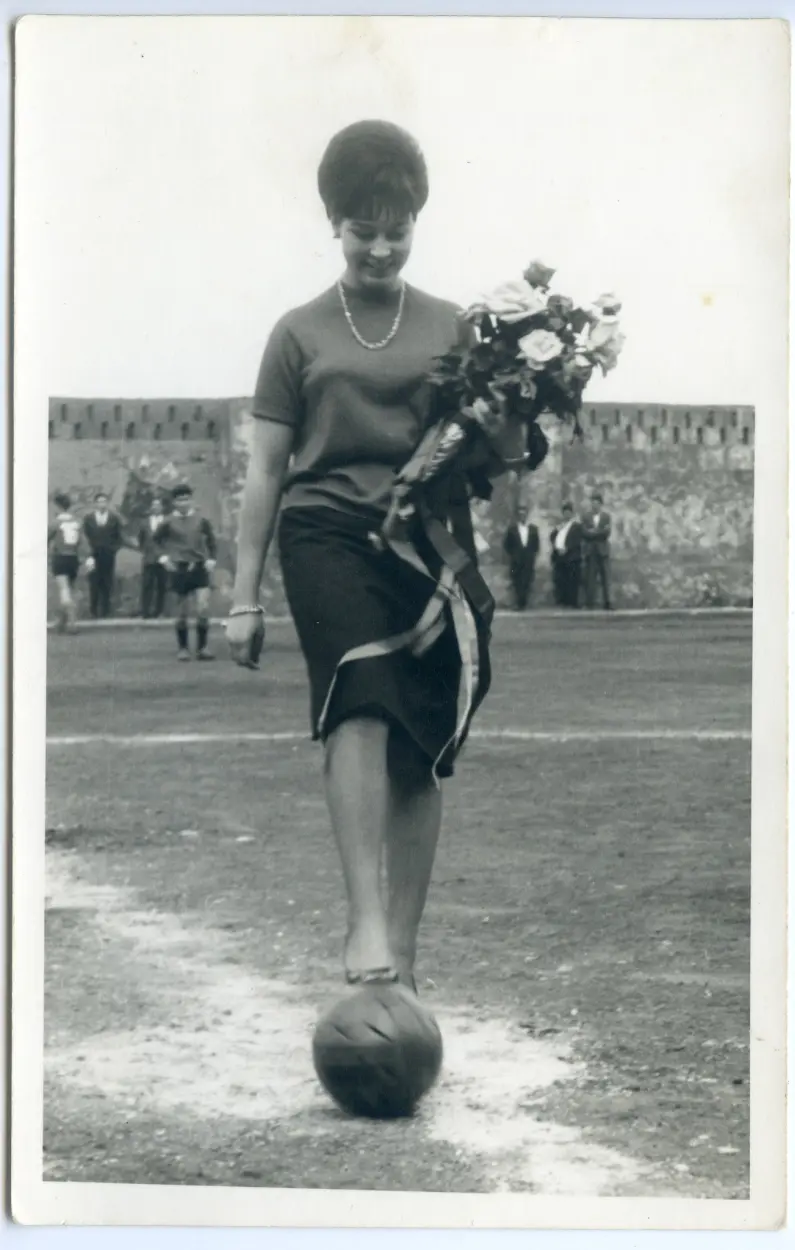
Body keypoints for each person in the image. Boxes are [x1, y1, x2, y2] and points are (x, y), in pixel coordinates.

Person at [226, 120, 501, 993]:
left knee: (417, 745)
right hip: (327, 535)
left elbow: (495, 450)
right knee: (360, 699)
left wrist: (516, 410)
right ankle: (365, 919)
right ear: (334, 225)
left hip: (425, 545)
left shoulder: (458, 327)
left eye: (397, 228)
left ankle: (405, 963)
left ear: (417, 222)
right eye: (363, 229)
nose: (380, 247)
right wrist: (243, 596)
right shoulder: (297, 334)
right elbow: (266, 472)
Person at [156, 484, 217, 660]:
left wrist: (211, 558)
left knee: (203, 608)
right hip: (179, 568)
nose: (183, 503)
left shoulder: (201, 519)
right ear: (174, 502)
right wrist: (164, 558)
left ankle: (202, 648)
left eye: (186, 499)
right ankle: (182, 649)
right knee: (182, 612)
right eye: (179, 499)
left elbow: (211, 540)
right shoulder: (167, 522)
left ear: (191, 500)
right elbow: (154, 542)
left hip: (199, 566)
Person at [82, 491, 123, 618]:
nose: (102, 504)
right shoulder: (88, 518)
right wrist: (87, 554)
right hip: (93, 554)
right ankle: (93, 610)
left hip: (108, 554)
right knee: (94, 581)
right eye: (99, 502)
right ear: (95, 504)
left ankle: (105, 610)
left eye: (104, 501)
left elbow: (118, 536)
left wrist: (113, 549)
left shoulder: (113, 518)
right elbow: (85, 536)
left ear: (107, 503)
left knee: (107, 581)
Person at [48, 493, 83, 633]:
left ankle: (72, 622)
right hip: (73, 558)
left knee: (64, 590)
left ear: (58, 507)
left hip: (60, 558)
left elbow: (46, 538)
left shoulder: (56, 523)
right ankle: (61, 622)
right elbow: (81, 541)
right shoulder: (77, 522)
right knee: (70, 588)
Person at [502, 503, 540, 610]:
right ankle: (519, 603)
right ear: (518, 516)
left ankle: (524, 603)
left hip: (528, 559)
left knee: (527, 580)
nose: (522, 516)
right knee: (517, 581)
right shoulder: (512, 529)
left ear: (527, 515)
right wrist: (513, 554)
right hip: (516, 560)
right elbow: (507, 544)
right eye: (520, 514)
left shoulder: (533, 529)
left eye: (524, 514)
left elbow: (536, 545)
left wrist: (531, 554)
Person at [582, 489, 613, 610]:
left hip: (603, 550)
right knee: (590, 578)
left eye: (597, 503)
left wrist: (594, 532)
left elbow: (607, 533)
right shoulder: (586, 516)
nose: (594, 505)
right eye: (592, 502)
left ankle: (608, 602)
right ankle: (590, 603)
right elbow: (584, 533)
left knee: (606, 577)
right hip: (591, 551)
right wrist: (598, 532)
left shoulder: (606, 516)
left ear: (601, 504)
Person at [138, 496, 168, 619]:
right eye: (153, 505)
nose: (156, 507)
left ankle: (159, 611)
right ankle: (145, 612)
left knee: (162, 585)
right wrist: (146, 551)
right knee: (147, 585)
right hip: (149, 558)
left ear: (162, 507)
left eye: (158, 505)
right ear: (151, 508)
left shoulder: (167, 522)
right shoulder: (145, 522)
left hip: (164, 558)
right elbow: (141, 539)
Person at [550, 500, 583, 608]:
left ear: (572, 513)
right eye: (565, 512)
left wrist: (567, 549)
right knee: (561, 579)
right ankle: (562, 601)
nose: (566, 514)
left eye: (568, 512)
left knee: (572, 580)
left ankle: (572, 602)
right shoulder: (560, 526)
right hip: (559, 557)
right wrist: (556, 531)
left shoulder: (576, 526)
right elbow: (552, 538)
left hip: (572, 557)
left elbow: (576, 540)